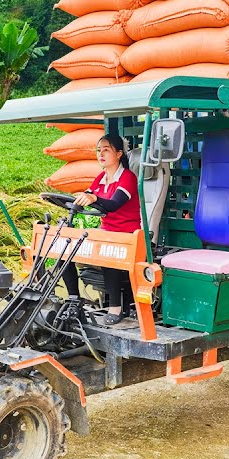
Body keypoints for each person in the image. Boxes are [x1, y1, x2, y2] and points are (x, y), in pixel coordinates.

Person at [68, 132, 142, 326]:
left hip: (128, 235)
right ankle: (73, 301)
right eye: (99, 150)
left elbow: (112, 205)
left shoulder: (128, 178)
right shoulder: (101, 177)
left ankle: (115, 309)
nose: (101, 154)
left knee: (108, 252)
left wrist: (93, 199)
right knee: (65, 250)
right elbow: (89, 196)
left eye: (106, 150)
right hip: (107, 232)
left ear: (118, 154)